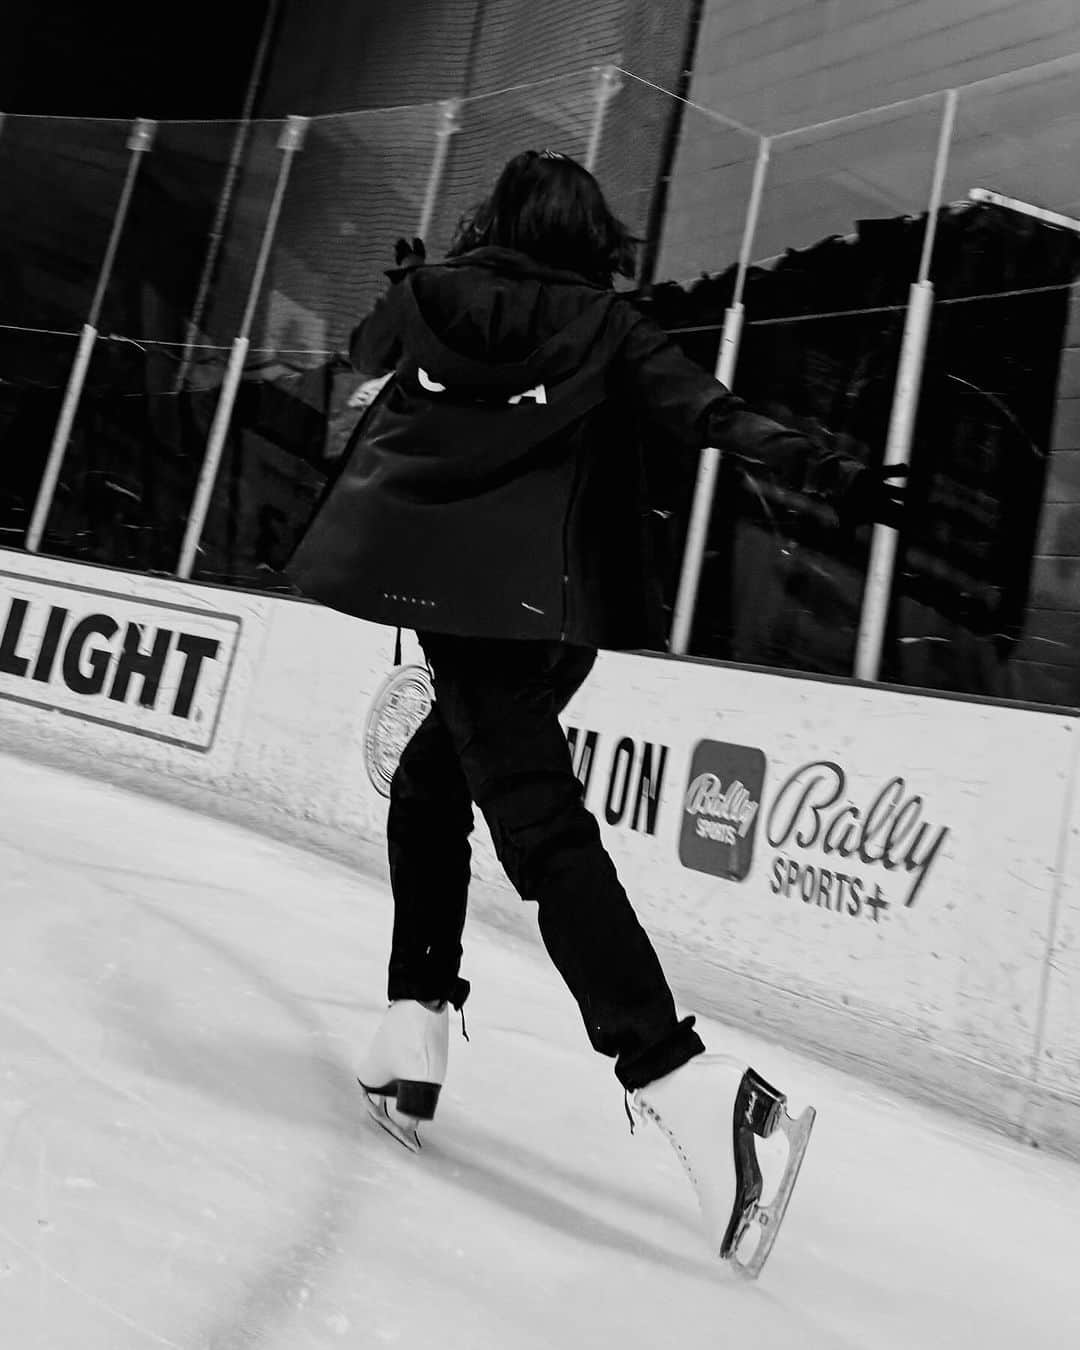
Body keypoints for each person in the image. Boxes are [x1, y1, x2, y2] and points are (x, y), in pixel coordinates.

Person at [285, 150, 904, 1275]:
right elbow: (711, 416)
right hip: (555, 611)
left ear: (497, 217)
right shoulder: (612, 329)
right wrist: (839, 476)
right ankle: (414, 1025)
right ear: (593, 234)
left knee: (535, 825)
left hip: (456, 601)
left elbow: (358, 361)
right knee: (433, 783)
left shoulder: (430, 297)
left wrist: (414, 288)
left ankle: (680, 1078)